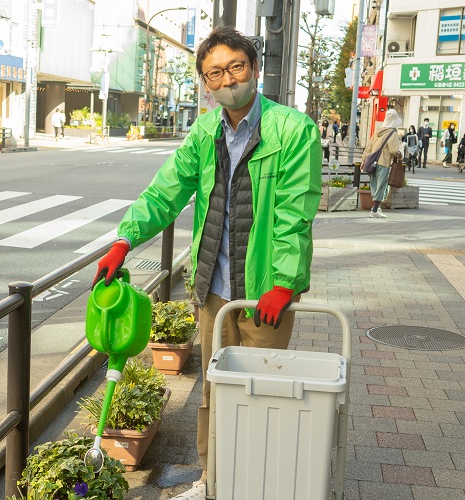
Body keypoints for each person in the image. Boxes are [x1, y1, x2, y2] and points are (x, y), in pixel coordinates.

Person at [92, 26, 321, 500]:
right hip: (213, 289)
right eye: (215, 73)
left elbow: (294, 214)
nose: (228, 79)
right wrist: (124, 240)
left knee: (263, 393)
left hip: (264, 296)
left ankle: (260, 485)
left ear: (254, 70)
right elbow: (165, 192)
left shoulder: (294, 130)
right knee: (215, 393)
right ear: (206, 83)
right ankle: (211, 480)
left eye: (236, 67)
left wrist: (283, 282)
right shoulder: (204, 131)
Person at [361, 109, 402, 219]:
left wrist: (364, 160)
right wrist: (400, 153)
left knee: (374, 184)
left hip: (372, 161)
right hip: (383, 162)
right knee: (381, 186)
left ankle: (376, 208)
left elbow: (369, 147)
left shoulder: (378, 131)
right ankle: (374, 210)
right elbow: (393, 150)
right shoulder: (393, 133)